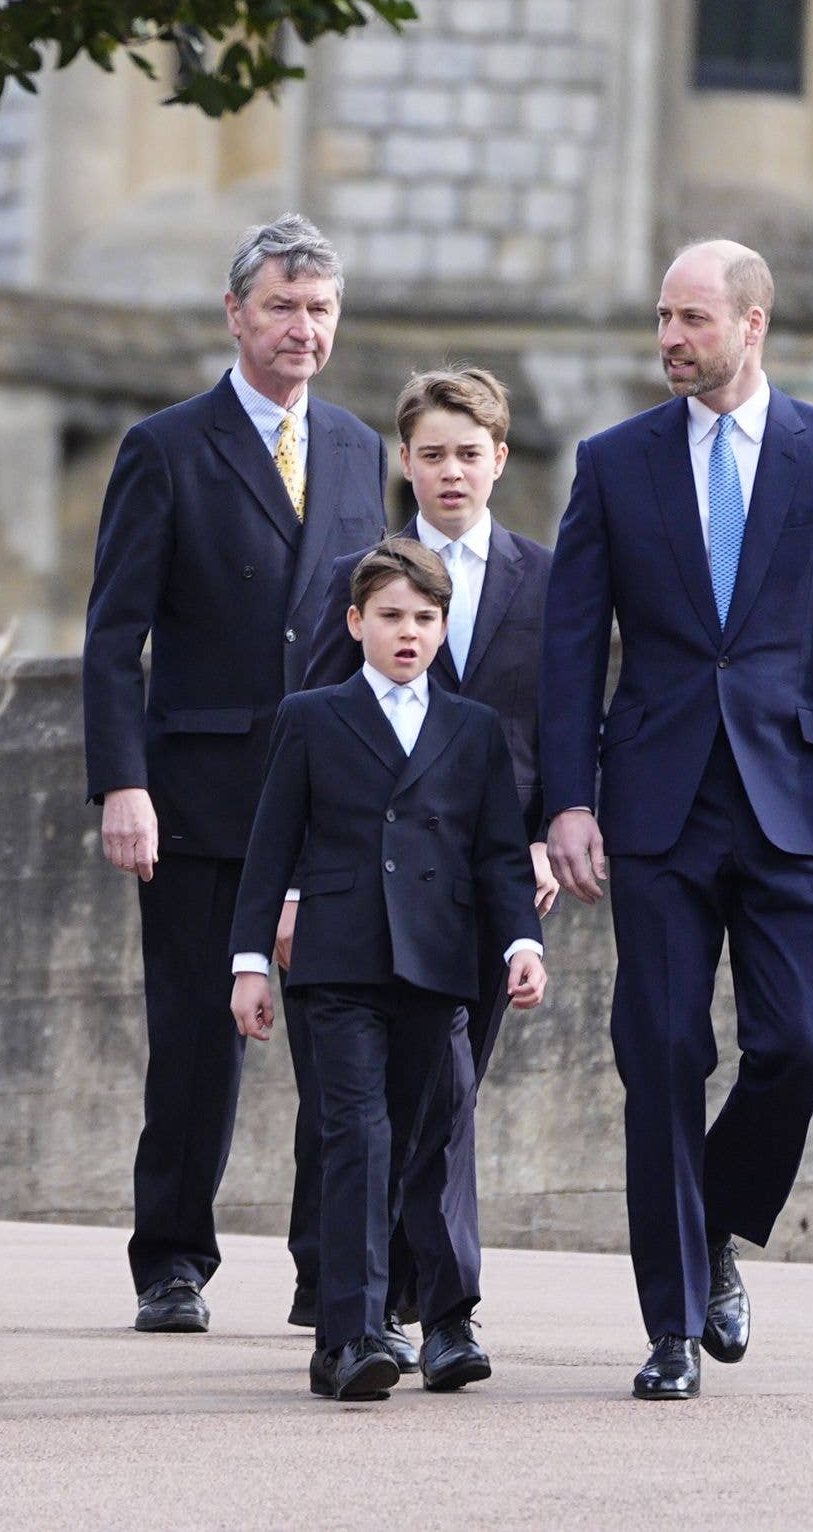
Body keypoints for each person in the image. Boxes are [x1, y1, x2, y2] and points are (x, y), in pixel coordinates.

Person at [542, 239, 813, 1400]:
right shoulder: (611, 465)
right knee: (657, 1054)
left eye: (691, 319)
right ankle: (668, 1328)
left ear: (752, 324)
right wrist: (564, 799)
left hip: (792, 801)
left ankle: (712, 1228)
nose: (669, 338)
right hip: (652, 804)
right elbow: (568, 647)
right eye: (660, 317)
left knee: (800, 1042)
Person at [82, 214, 389, 1333]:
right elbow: (115, 637)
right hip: (199, 796)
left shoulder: (360, 448)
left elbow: (379, 623)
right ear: (235, 313)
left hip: (331, 797)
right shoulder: (165, 445)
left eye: (318, 310)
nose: (301, 329)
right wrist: (123, 783)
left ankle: (328, 1271)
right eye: (280, 307)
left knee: (338, 1036)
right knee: (197, 1042)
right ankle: (170, 1259)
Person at [228, 540, 545, 1399]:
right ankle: (353, 1337)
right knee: (355, 1138)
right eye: (393, 617)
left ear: (444, 630)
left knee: (429, 1136)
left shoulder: (473, 728)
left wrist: (522, 943)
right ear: (356, 622)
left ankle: (443, 1319)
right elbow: (269, 849)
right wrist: (251, 962)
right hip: (337, 963)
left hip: (438, 964)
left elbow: (501, 857)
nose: (409, 634)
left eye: (426, 619)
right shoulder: (311, 716)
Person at [289, 369, 558, 1352]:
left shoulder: (546, 576)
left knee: (448, 1093)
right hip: (371, 889)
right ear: (405, 462)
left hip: (497, 875)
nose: (451, 472)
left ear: (499, 459)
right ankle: (373, 1299)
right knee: (373, 1094)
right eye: (432, 454)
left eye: (469, 453)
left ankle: (410, 1297)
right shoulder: (363, 580)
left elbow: (570, 722)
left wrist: (553, 830)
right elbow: (309, 726)